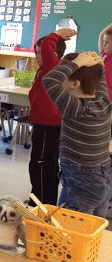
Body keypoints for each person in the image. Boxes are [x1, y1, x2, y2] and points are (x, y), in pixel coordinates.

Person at [42, 51, 112, 218]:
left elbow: (49, 80)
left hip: (81, 180)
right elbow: (98, 80)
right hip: (104, 175)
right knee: (92, 228)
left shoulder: (75, 107)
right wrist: (98, 67)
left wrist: (79, 62)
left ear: (74, 84)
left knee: (69, 231)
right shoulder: (103, 102)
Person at [27, 29, 72, 206]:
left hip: (50, 126)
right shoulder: (44, 69)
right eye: (35, 52)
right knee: (37, 164)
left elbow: (46, 46)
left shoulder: (54, 67)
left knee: (44, 165)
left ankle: (44, 203)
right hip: (42, 124)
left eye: (40, 53)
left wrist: (58, 34)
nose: (38, 56)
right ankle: (37, 197)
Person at [97, 24, 112, 99]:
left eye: (107, 42)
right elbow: (101, 35)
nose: (103, 44)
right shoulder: (103, 53)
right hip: (98, 97)